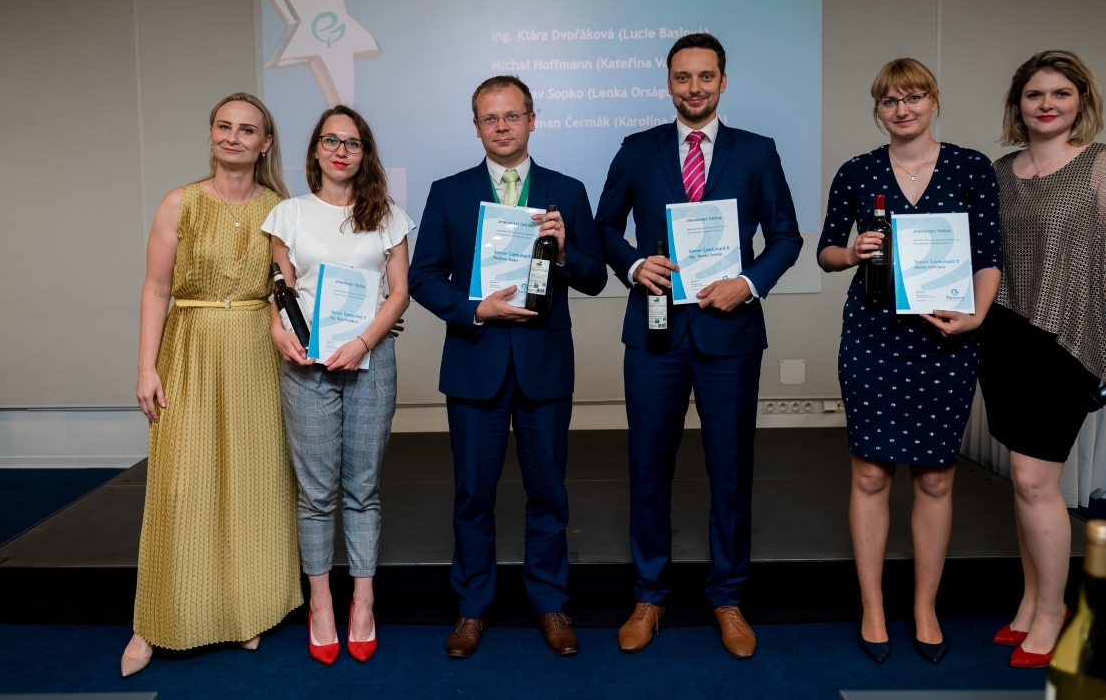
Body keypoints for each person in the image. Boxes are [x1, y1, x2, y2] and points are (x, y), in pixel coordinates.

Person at [594, 33, 803, 659]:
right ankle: (649, 595)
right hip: (654, 332)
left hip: (730, 334)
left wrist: (749, 282)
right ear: (668, 83)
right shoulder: (637, 150)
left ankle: (728, 597)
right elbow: (605, 227)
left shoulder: (757, 151)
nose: (694, 87)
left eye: (705, 76)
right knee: (647, 470)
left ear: (723, 81)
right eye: (683, 77)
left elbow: (787, 237)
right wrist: (635, 265)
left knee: (731, 473)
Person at [408, 75, 608, 658]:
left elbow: (596, 277)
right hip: (476, 363)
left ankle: (550, 603)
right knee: (473, 494)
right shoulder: (449, 192)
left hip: (545, 364)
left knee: (548, 494)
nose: (502, 126)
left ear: (532, 120)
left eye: (512, 115)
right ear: (476, 127)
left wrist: (565, 252)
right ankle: (472, 607)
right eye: (490, 118)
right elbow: (423, 277)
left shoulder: (566, 191)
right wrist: (477, 308)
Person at [978, 50, 1106, 668]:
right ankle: (1032, 601)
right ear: (1018, 104)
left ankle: (1055, 613)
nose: (1047, 104)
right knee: (1024, 480)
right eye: (1035, 94)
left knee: (1035, 482)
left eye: (1060, 93)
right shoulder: (1001, 172)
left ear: (1082, 100)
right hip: (1005, 337)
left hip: (1069, 339)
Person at [816, 58, 1002, 665]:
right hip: (873, 336)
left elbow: (989, 255)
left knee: (936, 478)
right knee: (871, 475)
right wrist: (852, 253)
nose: (903, 109)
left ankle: (925, 607)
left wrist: (976, 316)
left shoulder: (971, 167)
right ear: (878, 110)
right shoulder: (857, 171)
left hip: (948, 336)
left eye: (914, 97)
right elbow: (825, 253)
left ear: (934, 100)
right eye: (890, 100)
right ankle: (873, 608)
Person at [123, 92, 302, 677]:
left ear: (265, 143)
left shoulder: (280, 209)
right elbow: (156, 288)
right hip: (190, 347)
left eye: (247, 130)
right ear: (210, 134)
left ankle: (245, 609)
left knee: (252, 483)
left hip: (255, 353)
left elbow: (290, 291)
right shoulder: (180, 202)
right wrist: (145, 366)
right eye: (224, 126)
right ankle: (153, 621)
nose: (233, 137)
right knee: (180, 484)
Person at [261, 105, 413, 665]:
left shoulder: (388, 215)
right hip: (307, 364)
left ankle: (363, 602)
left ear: (364, 152)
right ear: (316, 150)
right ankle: (321, 603)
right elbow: (280, 289)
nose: (341, 151)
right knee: (316, 493)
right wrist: (277, 331)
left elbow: (399, 292)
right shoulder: (289, 214)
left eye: (352, 142)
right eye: (331, 140)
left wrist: (364, 342)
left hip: (371, 360)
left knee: (363, 489)